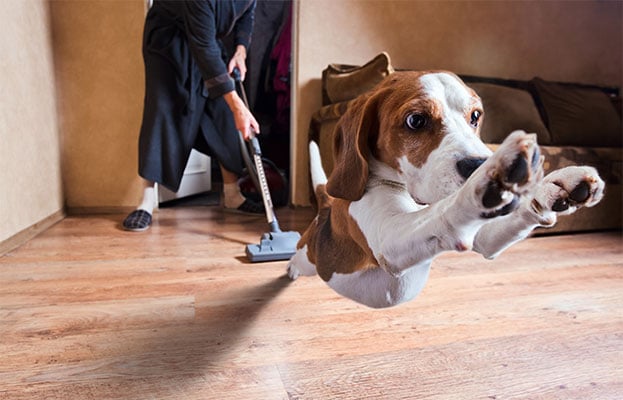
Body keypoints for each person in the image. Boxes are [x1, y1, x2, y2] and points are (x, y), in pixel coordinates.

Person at [123, 0, 264, 232]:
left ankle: (232, 195)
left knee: (221, 110)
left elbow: (247, 15)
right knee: (163, 109)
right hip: (169, 40)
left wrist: (240, 51)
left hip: (204, 35)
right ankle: (146, 202)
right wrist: (238, 106)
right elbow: (205, 48)